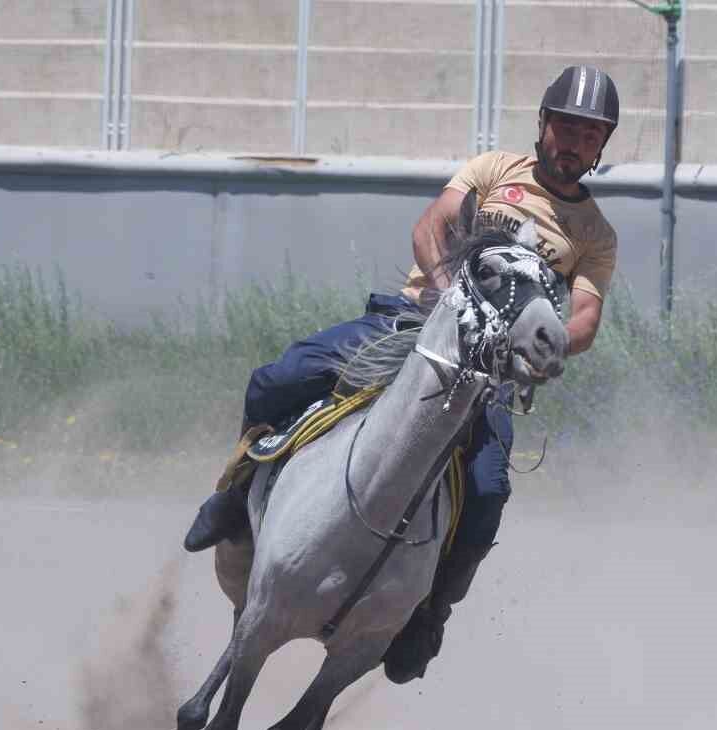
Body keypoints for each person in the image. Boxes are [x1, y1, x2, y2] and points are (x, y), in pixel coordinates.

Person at [181, 64, 621, 684]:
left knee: (489, 492)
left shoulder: (595, 235)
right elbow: (431, 226)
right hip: (411, 323)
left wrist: (550, 351)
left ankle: (429, 613)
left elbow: (585, 318)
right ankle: (230, 501)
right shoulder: (494, 171)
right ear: (543, 126)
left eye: (590, 133)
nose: (574, 142)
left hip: (485, 371)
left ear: (603, 145)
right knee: (277, 380)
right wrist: (448, 294)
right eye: (566, 127)